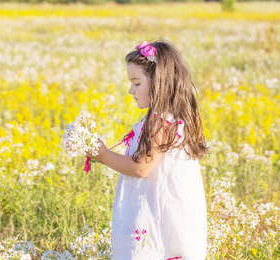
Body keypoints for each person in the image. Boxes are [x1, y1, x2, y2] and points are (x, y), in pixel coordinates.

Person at [86, 40, 208, 260]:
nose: (130, 90)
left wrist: (103, 155)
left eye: (137, 83)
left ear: (159, 83)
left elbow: (141, 168)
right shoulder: (159, 119)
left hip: (157, 214)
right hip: (154, 206)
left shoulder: (162, 121)